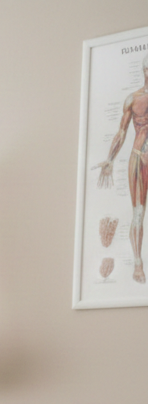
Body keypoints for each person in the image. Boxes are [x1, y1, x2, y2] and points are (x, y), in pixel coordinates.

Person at [95, 53, 148, 284]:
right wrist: (110, 158)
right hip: (139, 159)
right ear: (145, 69)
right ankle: (138, 264)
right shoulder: (133, 99)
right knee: (138, 214)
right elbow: (122, 131)